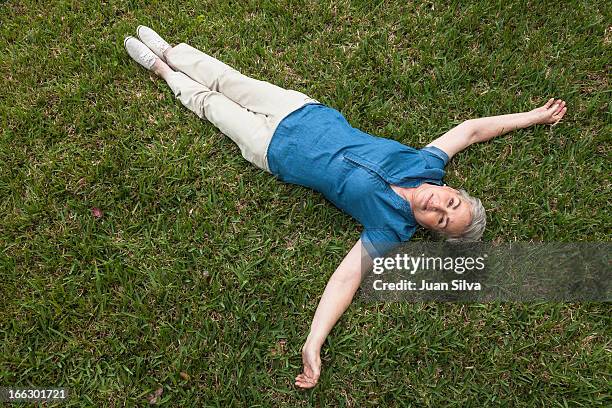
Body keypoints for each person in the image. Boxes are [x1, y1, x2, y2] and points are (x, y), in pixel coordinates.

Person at [124, 26, 568, 389]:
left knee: (210, 106)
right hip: (301, 112)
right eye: (450, 202)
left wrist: (313, 343)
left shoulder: (389, 229)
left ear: (431, 229)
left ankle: (164, 71)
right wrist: (533, 116)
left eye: (443, 220)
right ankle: (174, 51)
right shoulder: (424, 162)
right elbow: (471, 130)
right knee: (226, 78)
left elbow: (347, 279)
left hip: (272, 151)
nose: (440, 208)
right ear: (446, 186)